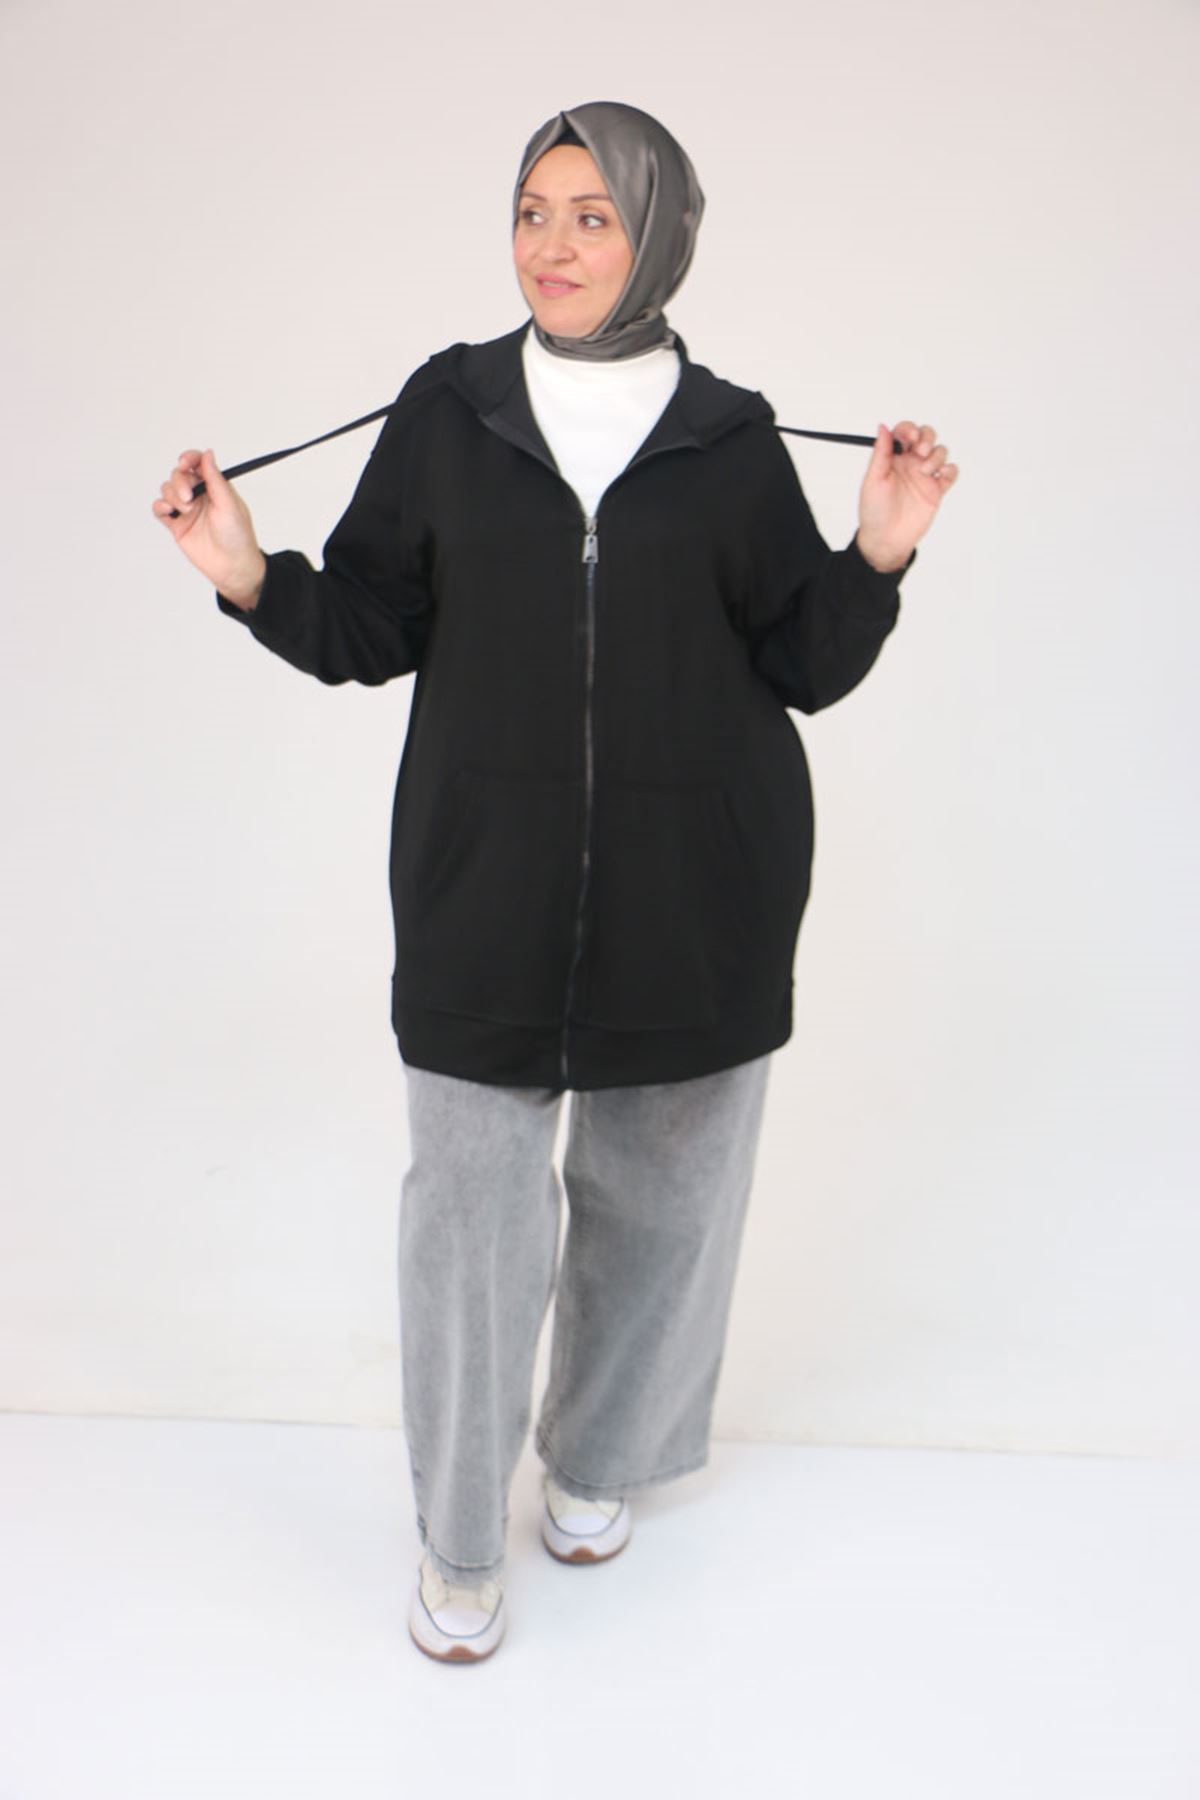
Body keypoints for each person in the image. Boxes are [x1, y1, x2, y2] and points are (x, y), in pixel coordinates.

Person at [152, 100, 957, 1665]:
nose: (555, 244)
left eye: (594, 215)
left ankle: (596, 1458)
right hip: (482, 887)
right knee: (468, 1222)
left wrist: (876, 555)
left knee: (659, 1205)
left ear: (658, 234)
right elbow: (371, 623)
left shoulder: (729, 433)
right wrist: (245, 569)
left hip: (700, 891)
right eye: (534, 209)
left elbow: (800, 662)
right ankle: (461, 1536)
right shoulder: (449, 412)